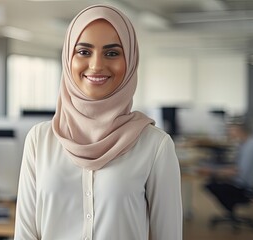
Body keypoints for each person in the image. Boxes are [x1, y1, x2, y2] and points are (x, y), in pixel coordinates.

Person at [14, 4, 182, 240]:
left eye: (112, 53)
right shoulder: (39, 140)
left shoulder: (155, 146)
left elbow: (168, 235)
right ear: (68, 58)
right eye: (84, 52)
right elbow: (25, 234)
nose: (96, 65)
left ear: (131, 61)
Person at [200, 118, 253, 219]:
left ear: (239, 130)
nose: (229, 133)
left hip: (243, 186)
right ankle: (230, 212)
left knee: (209, 184)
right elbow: (237, 168)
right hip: (245, 182)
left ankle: (230, 212)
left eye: (231, 130)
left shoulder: (250, 147)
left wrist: (214, 171)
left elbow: (239, 173)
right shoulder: (249, 142)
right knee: (213, 177)